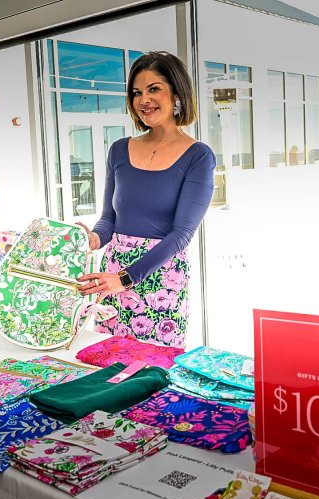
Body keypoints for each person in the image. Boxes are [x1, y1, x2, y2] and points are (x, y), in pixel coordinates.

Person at [76, 51, 216, 348]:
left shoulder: (198, 156)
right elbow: (109, 219)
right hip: (111, 276)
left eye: (154, 89)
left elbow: (181, 234)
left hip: (160, 279)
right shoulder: (118, 149)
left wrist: (126, 279)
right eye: (137, 92)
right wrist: (94, 239)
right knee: (107, 361)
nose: (143, 100)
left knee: (152, 366)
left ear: (176, 94)